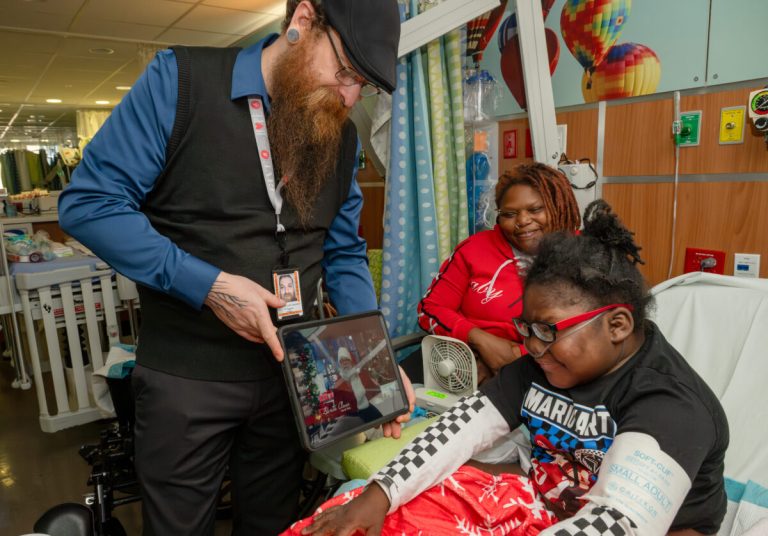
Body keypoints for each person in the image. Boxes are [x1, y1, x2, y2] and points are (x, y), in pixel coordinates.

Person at [57, 1, 414, 534]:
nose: (349, 96)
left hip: (293, 377)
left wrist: (375, 359)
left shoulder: (339, 136)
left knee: (272, 522)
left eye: (363, 85)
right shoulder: (179, 82)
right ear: (303, 21)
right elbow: (89, 204)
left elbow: (341, 253)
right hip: (187, 378)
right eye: (344, 72)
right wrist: (211, 286)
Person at [293, 200, 729, 536]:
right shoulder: (544, 364)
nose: (531, 345)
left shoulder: (671, 405)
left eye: (547, 330)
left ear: (617, 325)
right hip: (551, 504)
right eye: (526, 327)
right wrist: (378, 495)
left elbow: (617, 521)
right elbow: (456, 432)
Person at [409, 163, 581, 383]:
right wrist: (478, 340)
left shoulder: (585, 255)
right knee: (386, 400)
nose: (522, 221)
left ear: (559, 206)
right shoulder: (473, 249)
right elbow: (429, 309)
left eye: (535, 209)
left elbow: (590, 336)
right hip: (460, 362)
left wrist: (517, 356)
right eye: (510, 214)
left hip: (545, 372)